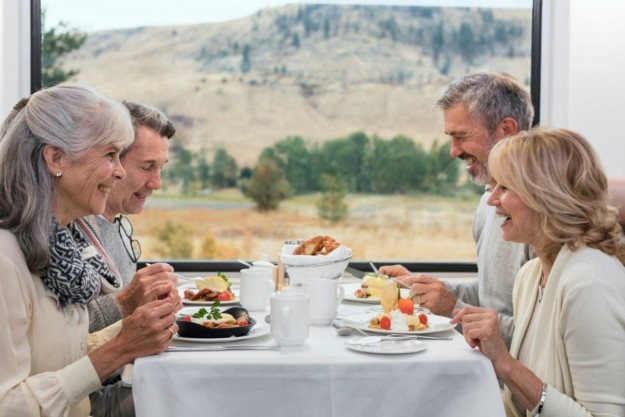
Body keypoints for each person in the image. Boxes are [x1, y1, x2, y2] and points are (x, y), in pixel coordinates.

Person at [0, 84, 179, 417]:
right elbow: (7, 405)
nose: (120, 171)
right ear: (56, 159)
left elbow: (64, 356)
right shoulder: (6, 258)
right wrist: (121, 347)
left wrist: (138, 332)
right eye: (110, 155)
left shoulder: (59, 250)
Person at [452, 127, 625, 416]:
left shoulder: (588, 285)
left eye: (504, 188)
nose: (492, 200)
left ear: (545, 197)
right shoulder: (531, 275)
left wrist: (505, 363)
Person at [380, 71, 534, 347]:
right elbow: (491, 296)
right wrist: (427, 290)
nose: (453, 151)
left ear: (506, 130)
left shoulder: (537, 215)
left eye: (461, 136)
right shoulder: (488, 202)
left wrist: (454, 309)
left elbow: (538, 337)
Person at [84, 101, 176, 333]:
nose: (157, 183)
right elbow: (68, 333)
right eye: (147, 167)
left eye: (161, 168)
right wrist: (129, 300)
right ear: (112, 161)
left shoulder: (120, 225)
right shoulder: (71, 230)